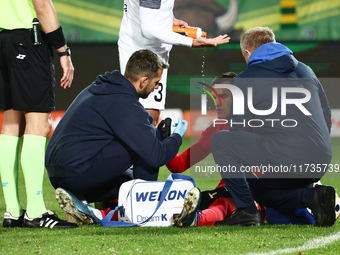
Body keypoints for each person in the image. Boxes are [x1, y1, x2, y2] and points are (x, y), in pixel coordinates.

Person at [45, 49, 189, 224]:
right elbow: (156, 156)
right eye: (156, 82)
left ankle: (86, 206)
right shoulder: (125, 104)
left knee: (129, 179)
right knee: (148, 140)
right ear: (143, 81)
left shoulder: (101, 88)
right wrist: (176, 137)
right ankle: (144, 209)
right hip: (76, 173)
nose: (157, 87)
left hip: (58, 174)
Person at [210, 26, 335, 227]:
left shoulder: (246, 79)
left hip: (287, 157)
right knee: (263, 191)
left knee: (220, 141)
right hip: (321, 159)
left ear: (248, 53)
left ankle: (247, 212)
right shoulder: (305, 69)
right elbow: (326, 114)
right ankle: (313, 196)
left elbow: (238, 131)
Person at [0, 0, 77, 228]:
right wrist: (63, 49)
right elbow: (42, 5)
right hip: (28, 41)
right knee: (38, 124)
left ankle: (12, 212)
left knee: (11, 124)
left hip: (4, 40)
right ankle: (35, 212)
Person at [118, 0, 231, 125]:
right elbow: (148, 29)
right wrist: (190, 42)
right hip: (142, 53)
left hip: (152, 48)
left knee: (150, 116)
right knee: (147, 116)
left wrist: (169, 18)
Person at [166, 72, 237, 209]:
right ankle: (197, 219)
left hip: (258, 191)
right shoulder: (214, 130)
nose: (217, 102)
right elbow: (179, 165)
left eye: (223, 96)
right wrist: (166, 142)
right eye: (215, 97)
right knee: (214, 204)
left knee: (220, 203)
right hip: (227, 192)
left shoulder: (259, 124)